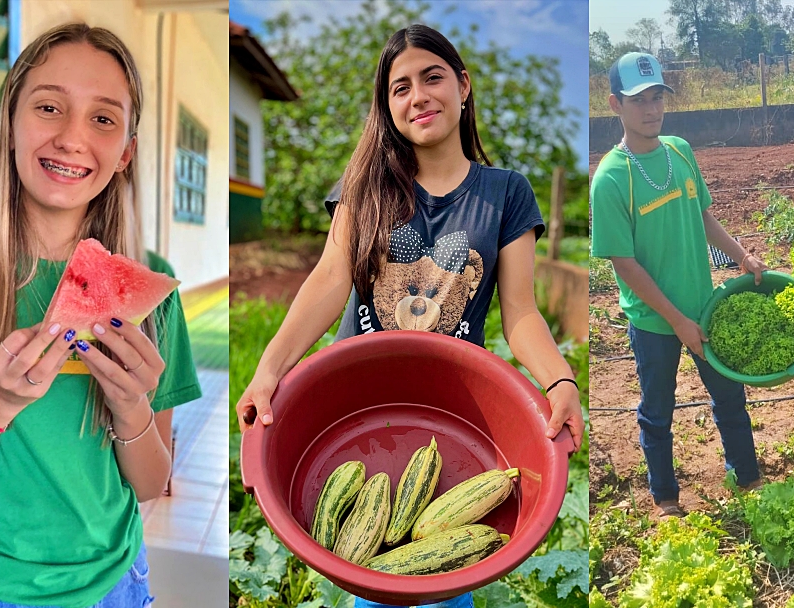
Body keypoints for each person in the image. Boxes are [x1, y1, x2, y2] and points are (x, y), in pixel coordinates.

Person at [235, 24, 584, 608]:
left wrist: (562, 379)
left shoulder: (506, 192)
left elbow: (520, 312)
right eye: (400, 87)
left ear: (463, 86)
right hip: (360, 419)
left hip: (446, 418)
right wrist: (270, 367)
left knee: (441, 581)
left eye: (432, 77)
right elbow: (328, 279)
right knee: (364, 580)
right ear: (387, 105)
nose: (418, 96)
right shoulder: (365, 185)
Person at [0, 23, 201, 608]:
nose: (73, 138)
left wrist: (131, 406)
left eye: (103, 118)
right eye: (49, 107)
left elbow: (151, 482)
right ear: (11, 125)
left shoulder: (151, 283)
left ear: (125, 151)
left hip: (115, 586)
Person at [590, 52, 767, 518]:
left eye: (657, 98)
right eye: (639, 101)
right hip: (654, 321)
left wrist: (742, 256)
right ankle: (666, 498)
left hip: (704, 305)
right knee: (657, 410)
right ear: (615, 104)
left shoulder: (679, 151)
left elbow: (703, 216)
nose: (652, 109)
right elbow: (624, 264)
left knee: (730, 396)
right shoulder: (611, 178)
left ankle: (747, 478)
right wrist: (678, 322)